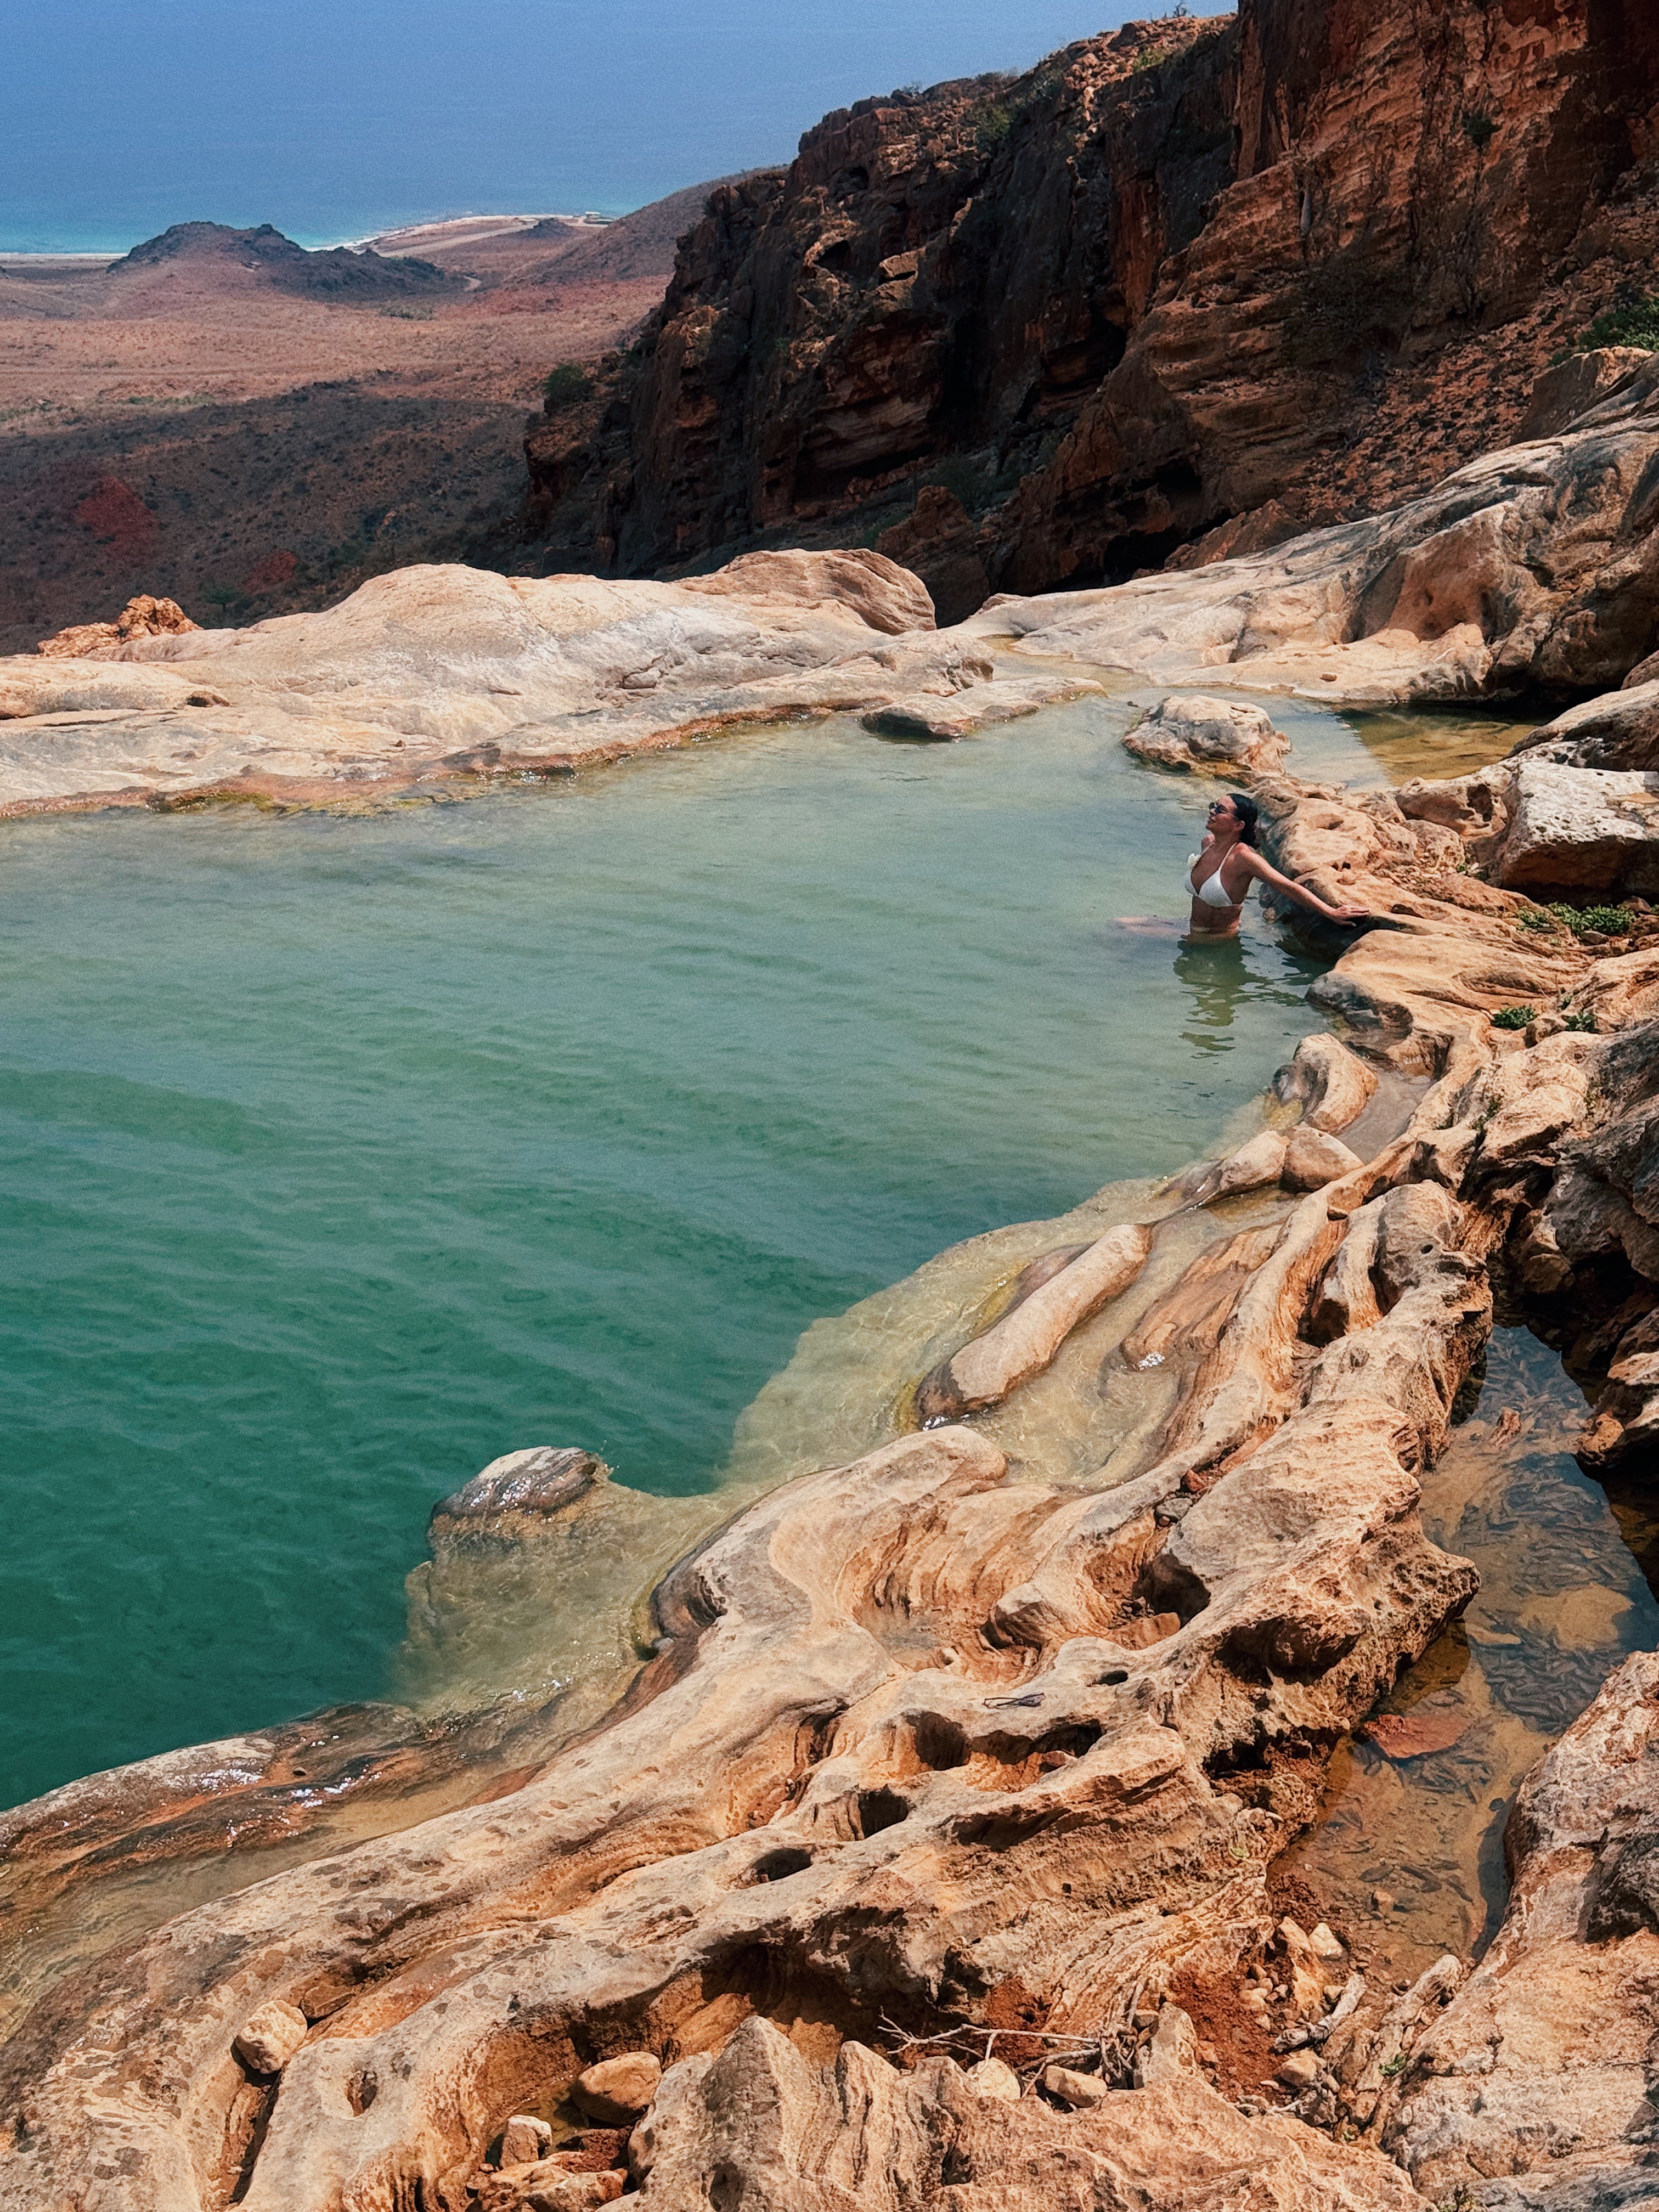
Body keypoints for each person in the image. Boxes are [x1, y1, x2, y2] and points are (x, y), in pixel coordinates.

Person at [1187, 791, 1368, 939]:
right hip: (1193, 929)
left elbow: (1287, 886)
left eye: (1221, 810)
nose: (1212, 811)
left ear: (1238, 825)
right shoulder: (1207, 843)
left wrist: (1331, 912)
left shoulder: (1244, 857)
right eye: (1214, 806)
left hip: (1220, 940)